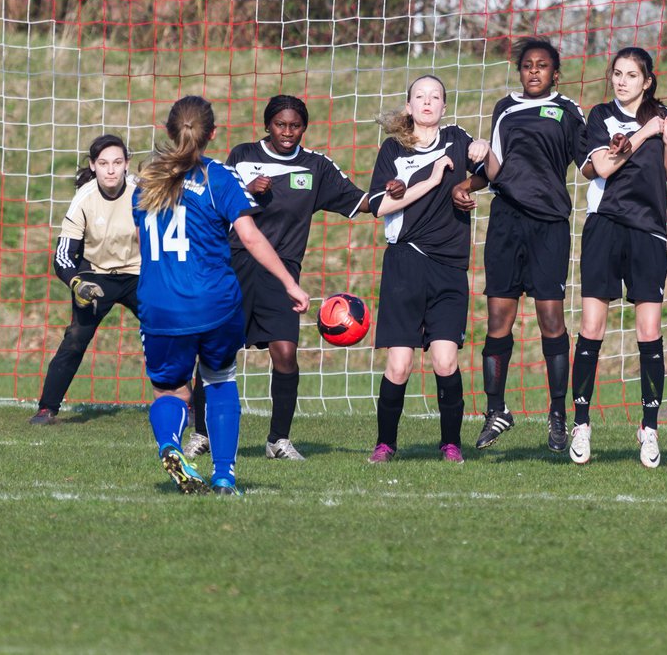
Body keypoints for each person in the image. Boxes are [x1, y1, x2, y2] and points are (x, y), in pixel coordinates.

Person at [183, 95, 380, 462]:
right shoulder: (242, 156)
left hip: (282, 271)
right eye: (280, 124)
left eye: (295, 126)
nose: (287, 132)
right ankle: (201, 433)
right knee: (218, 351)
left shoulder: (316, 167)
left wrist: (394, 191)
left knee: (286, 354)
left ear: (304, 128)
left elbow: (358, 201)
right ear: (267, 125)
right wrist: (248, 191)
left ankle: (279, 440)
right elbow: (219, 202)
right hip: (236, 265)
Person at [133, 95, 309, 496]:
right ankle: (225, 474)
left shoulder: (145, 183)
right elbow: (249, 236)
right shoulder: (218, 177)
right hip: (214, 304)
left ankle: (170, 445)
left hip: (160, 306)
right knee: (220, 379)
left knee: (170, 390)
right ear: (212, 134)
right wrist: (289, 282)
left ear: (168, 131)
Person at [452, 37, 586, 453]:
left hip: (549, 226)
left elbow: (589, 159)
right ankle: (496, 410)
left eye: (542, 66)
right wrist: (466, 182)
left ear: (555, 73)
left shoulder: (568, 111)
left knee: (550, 318)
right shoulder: (504, 109)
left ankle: (559, 414)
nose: (533, 71)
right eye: (527, 65)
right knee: (497, 319)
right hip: (506, 223)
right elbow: (494, 167)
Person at [365, 75, 492, 463]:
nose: (427, 102)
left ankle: (451, 444)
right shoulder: (393, 150)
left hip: (449, 266)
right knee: (400, 365)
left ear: (443, 106)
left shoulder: (457, 138)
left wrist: (477, 165)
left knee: (445, 360)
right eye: (419, 96)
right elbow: (379, 206)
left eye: (435, 96)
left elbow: (488, 172)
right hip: (404, 262)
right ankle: (385, 444)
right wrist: (434, 177)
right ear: (408, 106)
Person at [570, 47, 667, 467]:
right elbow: (601, 167)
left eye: (631, 75)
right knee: (592, 325)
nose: (622, 81)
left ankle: (649, 429)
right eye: (617, 73)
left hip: (648, 231)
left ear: (647, 80)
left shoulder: (662, 114)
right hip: (604, 226)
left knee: (650, 329)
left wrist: (666, 139)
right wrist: (645, 132)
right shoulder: (599, 116)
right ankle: (582, 423)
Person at [31, 134, 140, 425]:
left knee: (165, 335)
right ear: (93, 166)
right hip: (96, 277)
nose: (111, 169)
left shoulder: (142, 193)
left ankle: (188, 406)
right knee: (75, 339)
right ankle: (47, 409)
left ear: (127, 164)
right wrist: (77, 283)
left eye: (117, 162)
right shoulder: (84, 199)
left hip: (139, 275)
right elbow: (63, 256)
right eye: (103, 163)